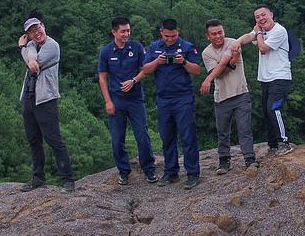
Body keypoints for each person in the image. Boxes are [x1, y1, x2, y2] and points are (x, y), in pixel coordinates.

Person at [142, 19, 202, 189]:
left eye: (173, 36)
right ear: (161, 32)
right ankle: (171, 172)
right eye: (167, 36)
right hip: (163, 99)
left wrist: (182, 61)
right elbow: (145, 70)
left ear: (178, 32)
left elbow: (196, 70)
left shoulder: (187, 46)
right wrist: (157, 62)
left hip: (183, 97)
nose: (169, 39)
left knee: (187, 136)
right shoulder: (154, 47)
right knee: (167, 136)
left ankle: (192, 173)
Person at [17, 17, 75, 193]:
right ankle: (38, 177)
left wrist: (22, 48)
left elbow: (34, 66)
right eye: (32, 31)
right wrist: (28, 51)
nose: (37, 32)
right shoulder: (33, 45)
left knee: (54, 139)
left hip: (46, 98)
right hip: (29, 96)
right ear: (28, 34)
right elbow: (31, 59)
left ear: (44, 26)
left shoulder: (52, 46)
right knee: (33, 139)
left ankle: (68, 179)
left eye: (38, 28)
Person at [97, 16, 157, 186]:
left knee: (142, 136)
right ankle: (124, 171)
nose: (126, 34)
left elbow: (144, 70)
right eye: (123, 31)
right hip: (116, 100)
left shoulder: (137, 47)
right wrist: (108, 101)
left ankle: (149, 169)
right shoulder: (106, 51)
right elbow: (102, 78)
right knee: (117, 139)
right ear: (114, 32)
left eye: (128, 30)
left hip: (135, 99)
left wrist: (134, 81)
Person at [200, 20, 257, 174]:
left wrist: (210, 77)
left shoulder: (233, 43)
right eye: (214, 34)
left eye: (220, 32)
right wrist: (231, 61)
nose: (218, 36)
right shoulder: (206, 53)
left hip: (240, 92)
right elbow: (219, 74)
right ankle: (224, 161)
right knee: (222, 131)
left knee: (244, 128)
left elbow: (248, 37)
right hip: (221, 96)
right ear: (208, 36)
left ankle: (250, 158)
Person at [236, 5, 293, 156]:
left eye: (263, 15)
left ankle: (284, 142)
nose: (261, 19)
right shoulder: (261, 31)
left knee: (273, 108)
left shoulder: (279, 30)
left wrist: (259, 32)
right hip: (265, 78)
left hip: (280, 76)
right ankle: (272, 144)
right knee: (266, 112)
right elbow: (249, 37)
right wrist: (235, 43)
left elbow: (262, 48)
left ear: (271, 14)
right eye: (257, 17)